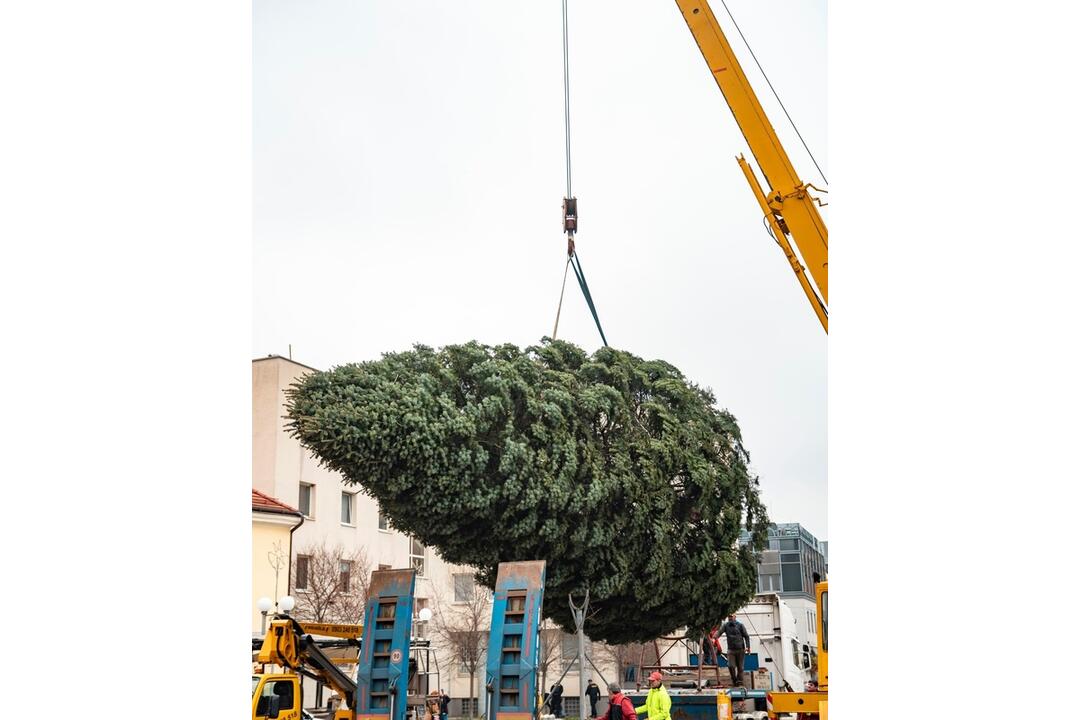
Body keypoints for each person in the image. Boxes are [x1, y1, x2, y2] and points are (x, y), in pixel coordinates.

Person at [719, 613, 751, 687]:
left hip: (740, 650)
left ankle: (740, 682)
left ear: (735, 616)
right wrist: (714, 638)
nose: (730, 618)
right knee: (731, 665)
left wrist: (748, 647)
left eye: (731, 616)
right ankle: (734, 680)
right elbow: (719, 632)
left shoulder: (740, 625)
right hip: (731, 650)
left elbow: (746, 636)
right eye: (728, 617)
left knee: (740, 667)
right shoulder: (726, 625)